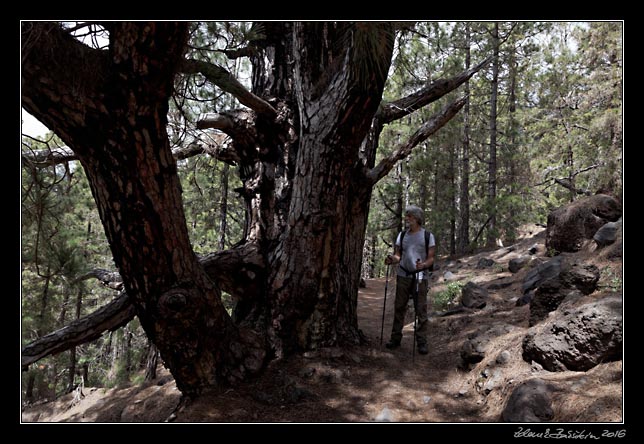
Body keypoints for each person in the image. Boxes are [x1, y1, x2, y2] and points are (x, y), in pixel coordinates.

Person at [384, 205, 435, 355]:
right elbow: (398, 255)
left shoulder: (428, 236)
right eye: (407, 216)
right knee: (399, 307)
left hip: (420, 276)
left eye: (410, 216)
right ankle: (395, 339)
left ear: (417, 218)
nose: (407, 219)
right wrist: (392, 259)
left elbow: (431, 258)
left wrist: (424, 265)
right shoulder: (402, 235)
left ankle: (421, 342)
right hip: (403, 274)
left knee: (421, 310)